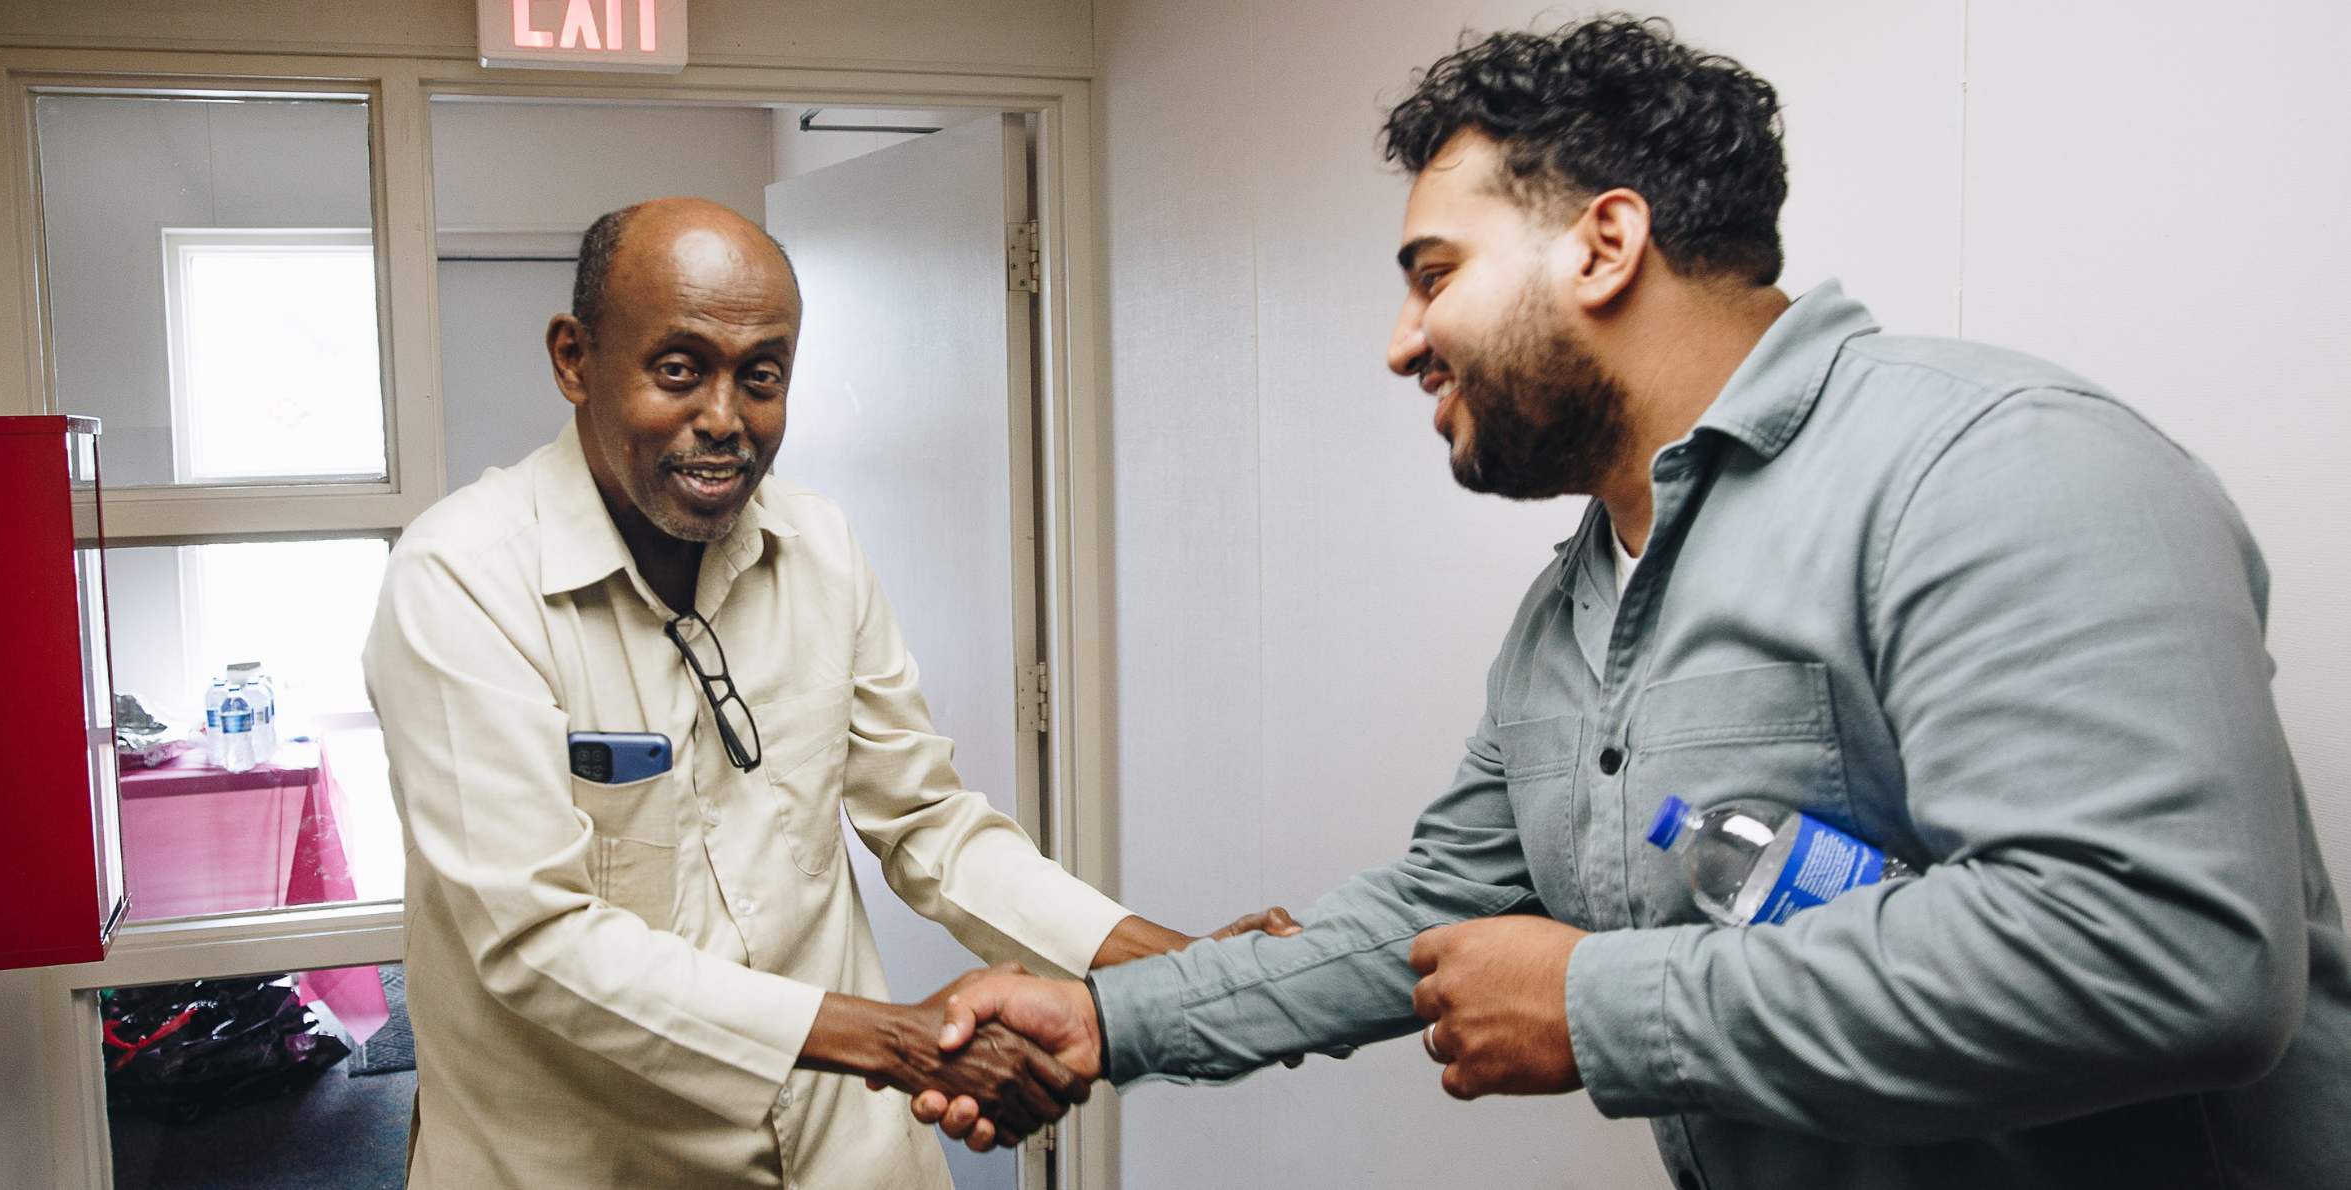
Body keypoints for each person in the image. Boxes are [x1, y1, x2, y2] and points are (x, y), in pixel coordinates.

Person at [916, 18, 2351, 1187]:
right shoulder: (1580, 596)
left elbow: (2167, 954)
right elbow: (1431, 911)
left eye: (1435, 274)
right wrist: (1104, 1021)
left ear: (1605, 245)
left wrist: (1601, 1002)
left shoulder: (1996, 465)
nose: (1403, 341)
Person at [362, 197, 1296, 1189]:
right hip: (590, 1162)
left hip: (843, 1156)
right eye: (679, 368)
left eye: (760, 375)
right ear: (575, 358)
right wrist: (896, 1039)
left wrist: (1177, 965)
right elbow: (538, 937)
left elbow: (927, 822)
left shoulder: (819, 547)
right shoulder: (458, 579)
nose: (723, 417)